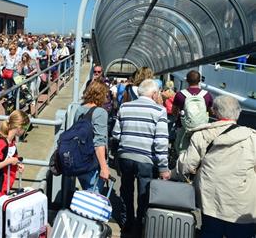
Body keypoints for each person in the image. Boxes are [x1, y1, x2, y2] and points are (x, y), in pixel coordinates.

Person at [172, 95, 256, 238]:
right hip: (242, 206)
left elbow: (186, 165)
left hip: (211, 201)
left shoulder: (202, 135)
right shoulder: (252, 137)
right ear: (238, 112)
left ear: (214, 112)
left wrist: (172, 173)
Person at [112, 79, 170, 236]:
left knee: (126, 190)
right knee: (144, 194)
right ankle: (141, 224)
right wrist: (163, 167)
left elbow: (116, 134)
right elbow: (161, 142)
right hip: (146, 159)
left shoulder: (125, 107)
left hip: (125, 156)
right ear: (153, 93)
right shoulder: (159, 111)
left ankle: (127, 222)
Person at [0, 110, 29, 238]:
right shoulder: (0, 142)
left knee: (1, 213)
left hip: (5, 184)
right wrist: (10, 161)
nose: (25, 131)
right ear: (19, 127)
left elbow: (12, 157)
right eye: (25, 128)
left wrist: (17, 163)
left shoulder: (11, 143)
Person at [73, 79, 111, 192]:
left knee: (86, 194)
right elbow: (99, 142)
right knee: (92, 198)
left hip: (79, 160)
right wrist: (104, 168)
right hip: (92, 164)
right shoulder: (100, 113)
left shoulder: (80, 109)